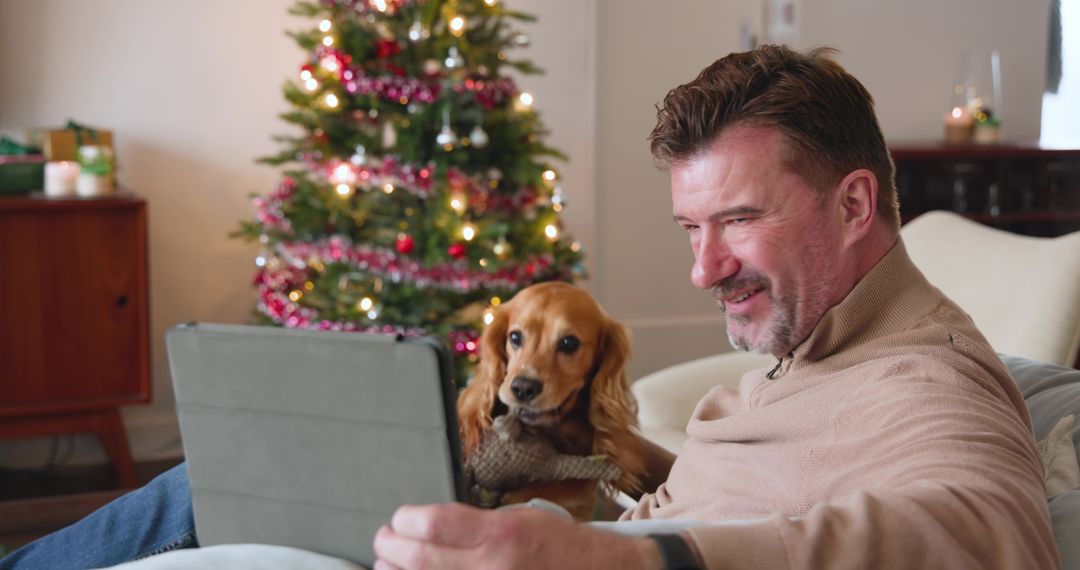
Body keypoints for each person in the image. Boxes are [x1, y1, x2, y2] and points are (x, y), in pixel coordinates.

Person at [1, 45, 1057, 570]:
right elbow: (759, 486)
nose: (703, 270)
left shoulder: (930, 374)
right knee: (234, 475)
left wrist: (635, 554)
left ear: (856, 202)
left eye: (735, 220)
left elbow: (989, 528)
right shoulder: (813, 343)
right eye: (692, 230)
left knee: (218, 506)